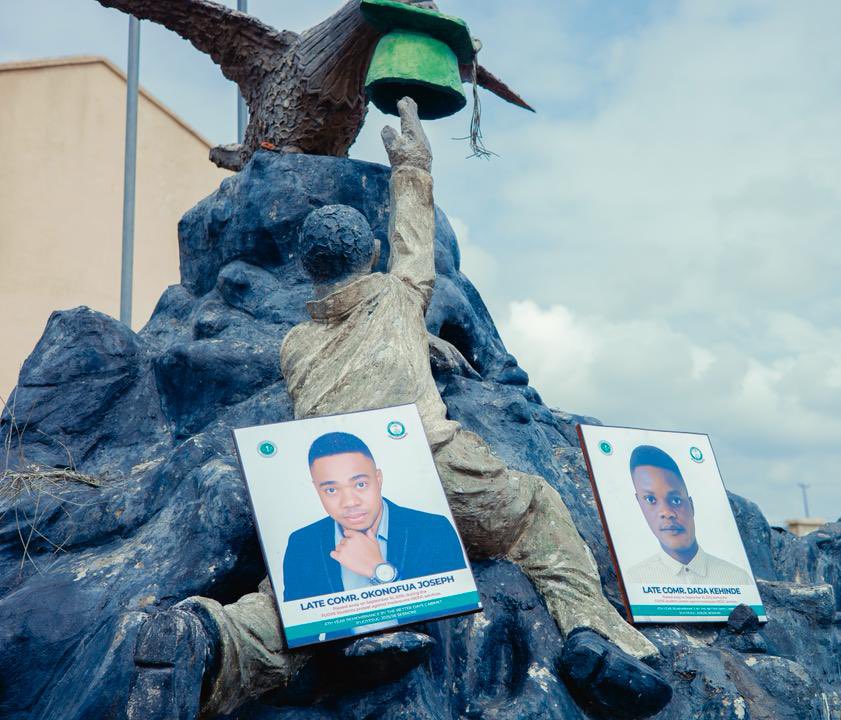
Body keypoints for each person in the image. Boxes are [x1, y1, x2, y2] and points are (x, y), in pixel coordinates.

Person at [129, 97, 672, 719]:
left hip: (329, 482)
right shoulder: (394, 298)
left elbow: (349, 357)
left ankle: (215, 640)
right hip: (428, 465)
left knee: (303, 595)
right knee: (534, 512)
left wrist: (420, 342)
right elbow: (414, 245)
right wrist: (412, 165)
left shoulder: (296, 343)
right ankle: (590, 632)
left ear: (309, 269)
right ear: (369, 256)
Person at [283, 431, 467, 602]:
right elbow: (300, 621)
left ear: (378, 479)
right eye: (331, 490)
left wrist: (379, 570)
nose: (350, 502)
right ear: (317, 490)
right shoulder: (302, 544)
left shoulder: (434, 530)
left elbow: (457, 606)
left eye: (360, 484)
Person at [623, 445, 752, 587]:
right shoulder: (633, 580)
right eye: (650, 499)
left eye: (675, 500)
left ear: (691, 505)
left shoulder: (739, 579)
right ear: (640, 504)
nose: (667, 512)